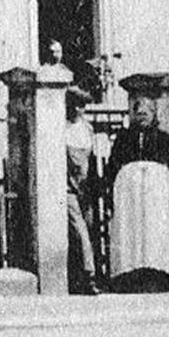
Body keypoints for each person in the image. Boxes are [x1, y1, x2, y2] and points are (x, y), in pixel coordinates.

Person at [104, 96, 169, 287]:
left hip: (157, 194)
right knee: (131, 232)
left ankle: (160, 274)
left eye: (146, 113)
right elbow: (112, 167)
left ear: (153, 115)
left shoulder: (164, 139)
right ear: (133, 116)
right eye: (138, 114)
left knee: (156, 229)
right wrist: (110, 193)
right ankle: (131, 273)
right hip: (130, 195)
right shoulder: (123, 138)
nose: (142, 117)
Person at [64, 90, 102, 293]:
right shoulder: (60, 127)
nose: (78, 109)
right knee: (80, 232)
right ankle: (89, 277)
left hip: (85, 188)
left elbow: (91, 160)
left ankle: (84, 276)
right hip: (67, 188)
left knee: (89, 229)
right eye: (74, 104)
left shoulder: (87, 129)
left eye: (82, 105)